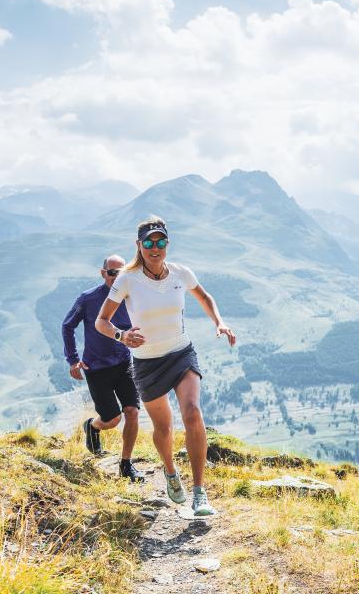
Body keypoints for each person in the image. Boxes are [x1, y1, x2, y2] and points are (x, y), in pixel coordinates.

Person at [95, 216, 236, 516]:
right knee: (163, 427)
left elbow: (204, 296)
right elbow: (101, 321)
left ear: (167, 244)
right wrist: (122, 335)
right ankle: (170, 471)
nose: (154, 248)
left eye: (160, 242)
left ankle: (199, 493)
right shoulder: (127, 279)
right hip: (146, 362)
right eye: (148, 242)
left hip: (181, 353)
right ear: (139, 246)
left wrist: (220, 322)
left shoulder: (180, 273)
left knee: (193, 412)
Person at [62, 255, 145, 482]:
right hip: (96, 368)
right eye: (112, 273)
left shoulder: (130, 298)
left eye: (121, 273)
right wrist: (72, 359)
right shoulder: (88, 299)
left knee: (132, 412)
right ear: (102, 273)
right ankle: (92, 426)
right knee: (113, 419)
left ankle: (126, 465)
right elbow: (67, 325)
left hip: (124, 363)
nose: (116, 277)